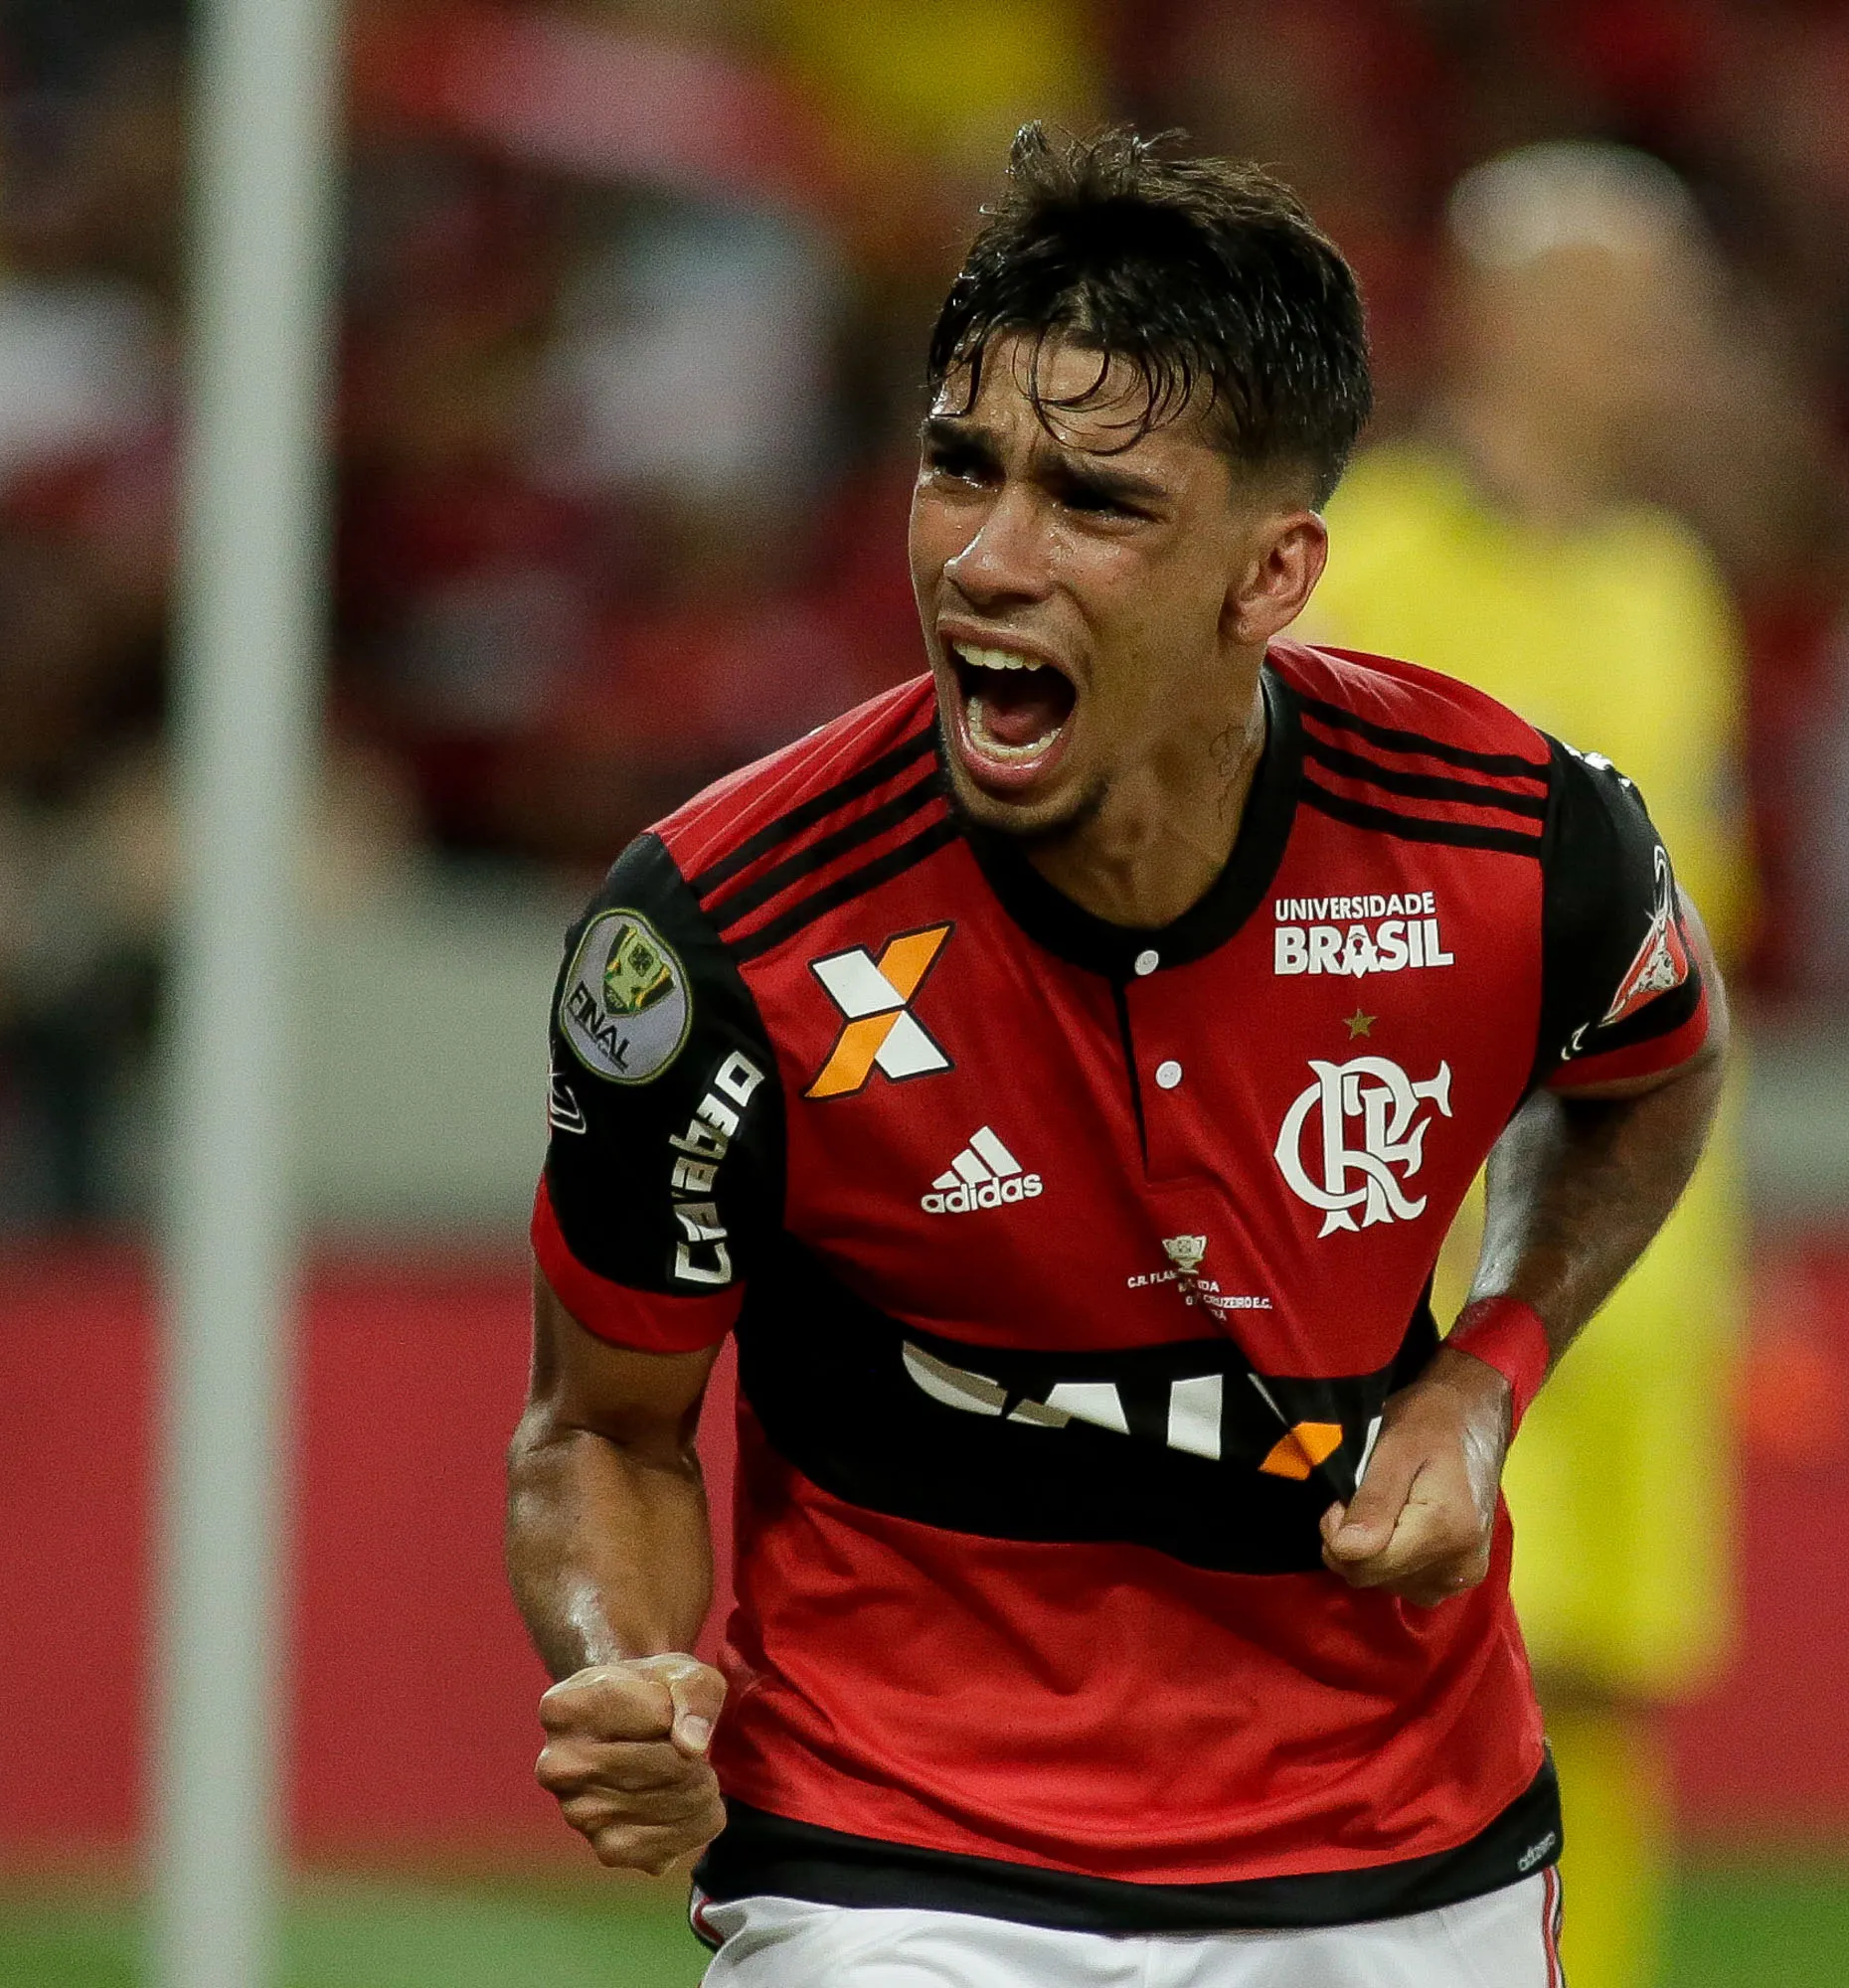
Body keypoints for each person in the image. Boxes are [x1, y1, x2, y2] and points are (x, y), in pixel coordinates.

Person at [506, 126, 1726, 1986]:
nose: (989, 561)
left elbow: (1653, 1070)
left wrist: (1487, 1370)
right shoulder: (716, 938)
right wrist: (629, 1674)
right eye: (956, 468)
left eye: (1093, 502)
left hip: (1401, 1852)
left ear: (1272, 575)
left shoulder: (1515, 840)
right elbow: (604, 1425)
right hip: (897, 1864)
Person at [1300, 143, 1750, 1988]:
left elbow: (1710, 930)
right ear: (1512, 314)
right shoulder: (1375, 560)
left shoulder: (1669, 583)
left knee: (1619, 1682)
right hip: (1449, 1230)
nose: (1667, 340)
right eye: (1626, 301)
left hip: (1652, 1234)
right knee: (1463, 1659)